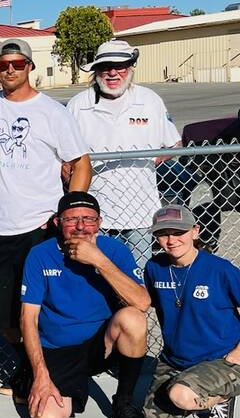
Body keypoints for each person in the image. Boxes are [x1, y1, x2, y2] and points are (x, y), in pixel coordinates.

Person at [0, 38, 92, 397]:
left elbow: (80, 163)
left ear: (29, 66)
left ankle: (45, 373)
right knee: (1, 312)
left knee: (42, 307)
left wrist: (68, 213)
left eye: (17, 64)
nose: (10, 70)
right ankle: (27, 368)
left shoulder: (52, 112)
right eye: (3, 65)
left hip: (40, 226)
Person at [20, 192, 151, 418]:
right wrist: (41, 374)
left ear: (99, 222)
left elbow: (142, 302)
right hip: (58, 349)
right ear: (58, 223)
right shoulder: (40, 254)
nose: (81, 227)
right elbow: (28, 319)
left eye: (88, 219)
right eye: (72, 220)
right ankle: (30, 375)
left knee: (133, 318)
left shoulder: (114, 250)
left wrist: (99, 261)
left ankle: (124, 404)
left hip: (100, 346)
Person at [143, 205, 240, 418]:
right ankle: (188, 389)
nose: (171, 240)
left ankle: (221, 398)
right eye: (163, 233)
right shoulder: (154, 268)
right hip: (175, 360)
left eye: (179, 232)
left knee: (180, 395)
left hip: (221, 360)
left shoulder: (219, 269)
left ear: (195, 232)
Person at [67, 39, 180, 267]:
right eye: (105, 66)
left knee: (137, 274)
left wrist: (152, 160)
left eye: (120, 66)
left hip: (141, 210)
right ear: (96, 70)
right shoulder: (79, 105)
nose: (112, 73)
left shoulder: (149, 100)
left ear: (130, 68)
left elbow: (173, 144)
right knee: (99, 273)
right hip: (96, 213)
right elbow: (65, 156)